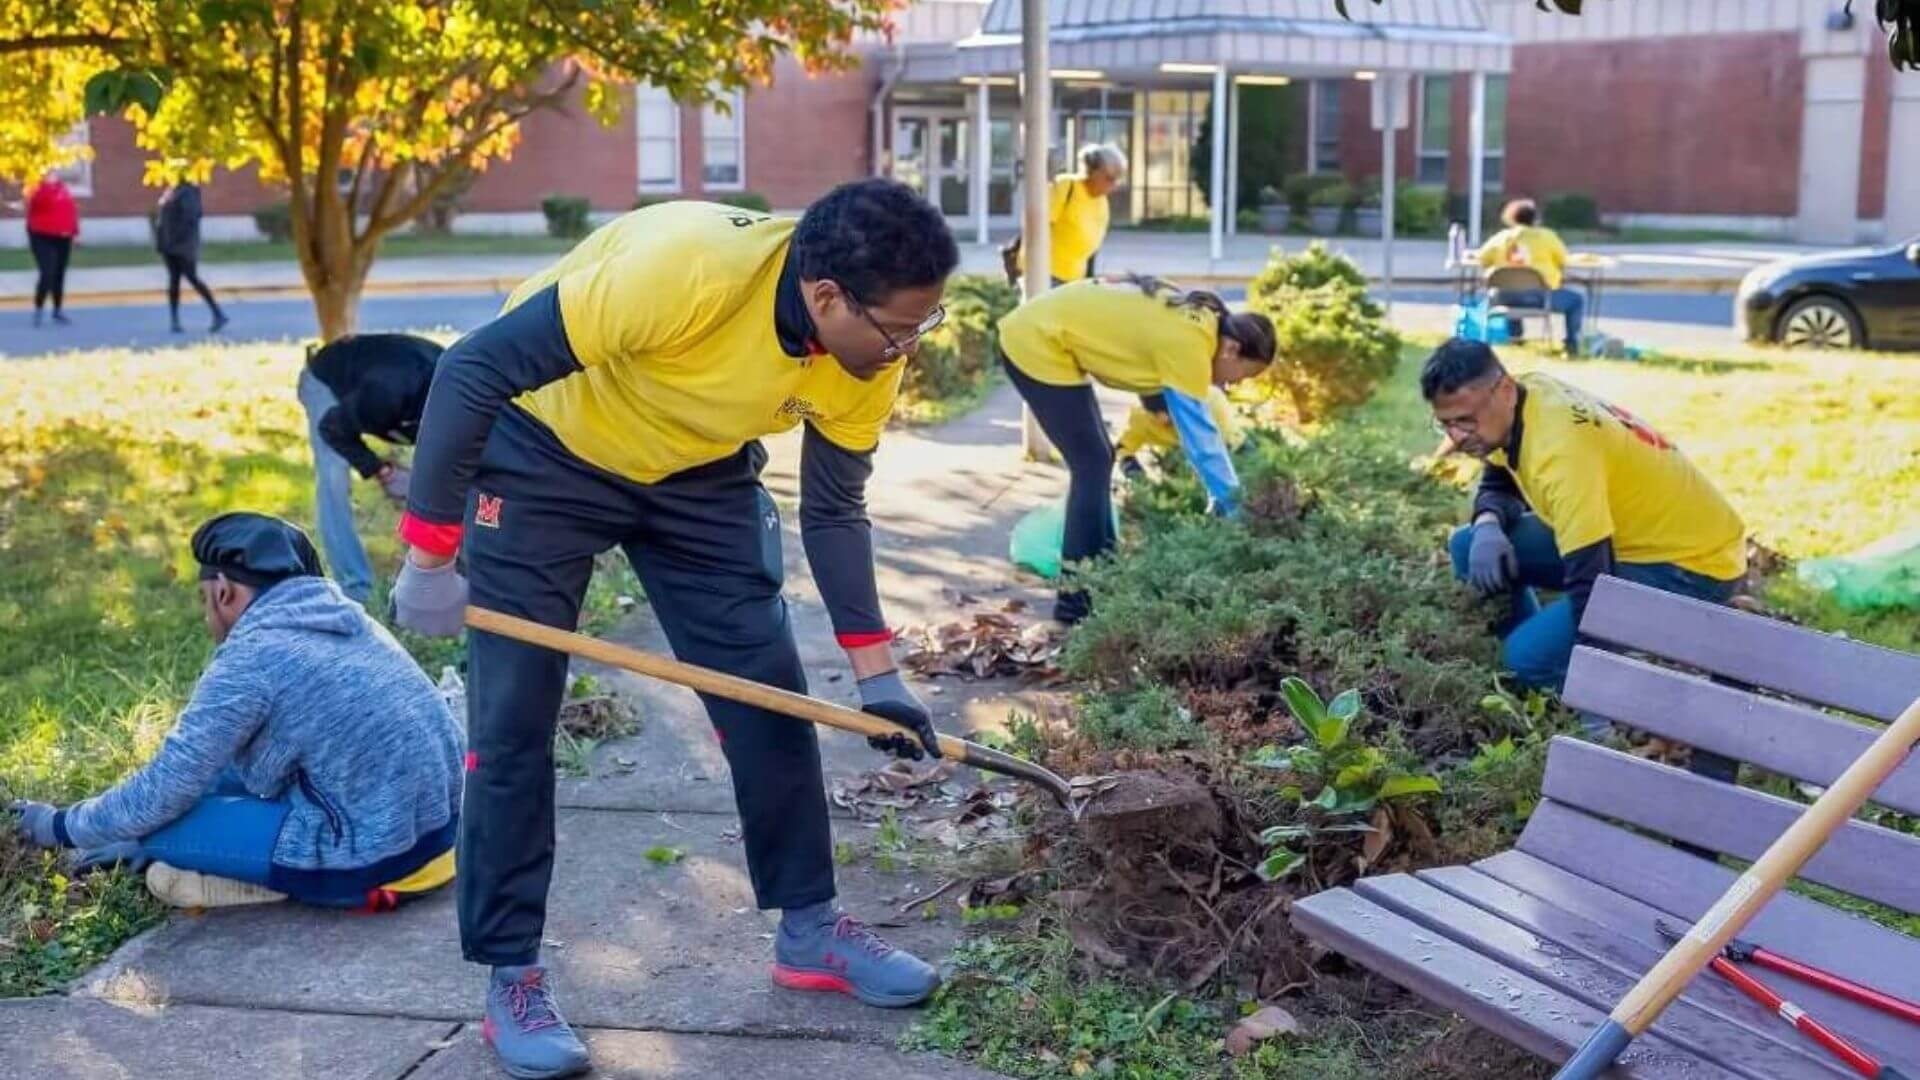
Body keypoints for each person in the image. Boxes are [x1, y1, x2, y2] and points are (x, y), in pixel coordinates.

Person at [387, 180, 958, 1080]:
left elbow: (837, 505)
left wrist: (878, 675)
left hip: (697, 470)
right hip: (547, 453)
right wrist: (429, 556)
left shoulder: (865, 352)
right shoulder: (684, 270)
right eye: (898, 329)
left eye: (923, 326)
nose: (907, 347)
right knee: (512, 723)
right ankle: (512, 976)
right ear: (826, 297)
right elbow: (472, 370)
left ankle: (809, 929)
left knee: (770, 693)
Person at [9, 512, 462, 912]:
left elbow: (166, 789)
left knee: (160, 828)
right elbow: (215, 768)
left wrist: (59, 826)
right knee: (182, 797)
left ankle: (262, 881)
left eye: (203, 599)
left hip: (372, 862)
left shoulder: (252, 656)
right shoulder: (350, 622)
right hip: (443, 841)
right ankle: (194, 850)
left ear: (223, 591)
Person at [1426, 339, 1747, 696]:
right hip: (1630, 538)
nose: (1456, 438)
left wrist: (1588, 677)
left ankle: (1571, 692)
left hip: (1693, 565)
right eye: (1446, 424)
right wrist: (1487, 524)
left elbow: (1591, 582)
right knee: (1468, 544)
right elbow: (1500, 476)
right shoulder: (1525, 396)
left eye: (1466, 421)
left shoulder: (1562, 452)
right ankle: (1525, 678)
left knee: (1526, 660)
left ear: (1503, 390)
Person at [996, 275, 1277, 624]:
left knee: (1098, 460)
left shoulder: (1201, 320)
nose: (1230, 385)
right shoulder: (1191, 343)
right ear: (1232, 348)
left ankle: (1104, 577)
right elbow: (1201, 440)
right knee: (1091, 464)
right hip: (1035, 341)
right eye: (1241, 376)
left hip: (1046, 334)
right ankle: (1075, 604)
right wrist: (1235, 508)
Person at [299, 333, 444, 606]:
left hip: (388, 383)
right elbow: (332, 429)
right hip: (326, 381)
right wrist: (382, 470)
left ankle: (433, 566)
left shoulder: (459, 390)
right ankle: (355, 586)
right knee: (333, 477)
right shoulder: (388, 392)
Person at [1002, 143, 1127, 286]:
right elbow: (1036, 224)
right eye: (1109, 178)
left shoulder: (1102, 202)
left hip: (1074, 278)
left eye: (1117, 180)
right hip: (1044, 273)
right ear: (1093, 171)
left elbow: (1092, 247)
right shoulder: (1066, 187)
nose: (1114, 185)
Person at [1477, 198, 1583, 356]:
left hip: (1503, 297)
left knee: (1512, 287)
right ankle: (1571, 345)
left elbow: (1482, 259)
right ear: (1535, 218)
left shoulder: (1501, 238)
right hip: (1540, 296)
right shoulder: (1547, 237)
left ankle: (1516, 338)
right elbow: (1564, 260)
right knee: (1576, 300)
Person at [1115, 385, 1247, 478]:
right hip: (1175, 465)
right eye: (1155, 414)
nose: (1163, 421)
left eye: (1167, 412)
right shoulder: (1140, 418)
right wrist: (1134, 472)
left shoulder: (1211, 401)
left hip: (1225, 452)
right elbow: (1122, 449)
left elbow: (1233, 444)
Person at [156, 180, 230, 334]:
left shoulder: (188, 192)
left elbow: (190, 217)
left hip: (183, 246)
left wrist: (177, 238)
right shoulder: (173, 190)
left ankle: (218, 313)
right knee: (174, 281)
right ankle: (175, 320)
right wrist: (162, 241)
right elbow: (163, 218)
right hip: (169, 246)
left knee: (192, 278)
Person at [25, 173, 78, 327]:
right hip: (41, 235)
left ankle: (57, 310)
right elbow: (37, 204)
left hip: (63, 236)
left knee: (59, 273)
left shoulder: (62, 188)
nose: (53, 173)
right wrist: (45, 184)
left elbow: (70, 210)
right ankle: (39, 308)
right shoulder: (36, 187)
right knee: (47, 272)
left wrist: (74, 232)